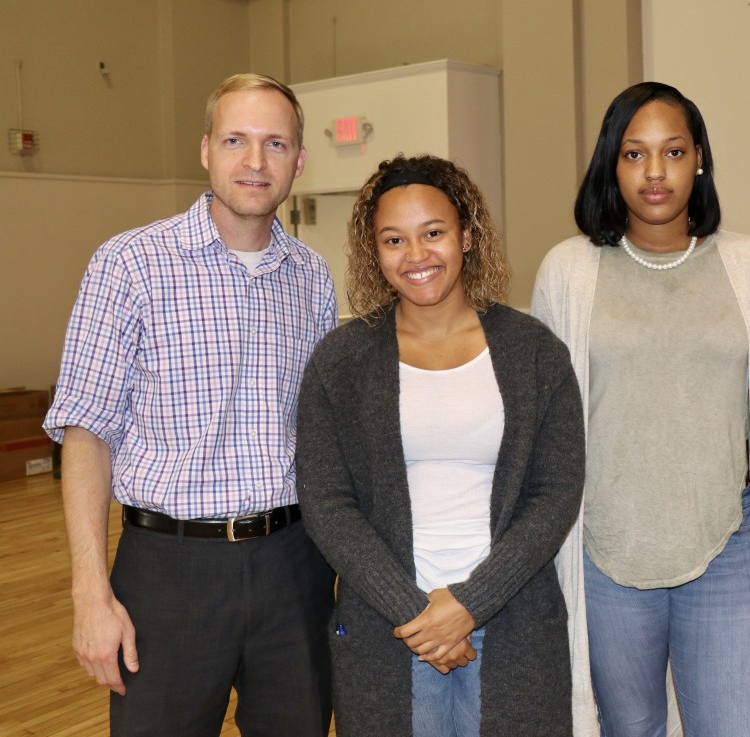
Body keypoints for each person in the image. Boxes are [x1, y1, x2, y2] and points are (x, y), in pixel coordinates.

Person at [43, 73, 337, 735]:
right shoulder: (130, 264)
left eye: (275, 143)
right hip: (169, 575)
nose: (255, 162)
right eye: (236, 140)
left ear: (299, 161)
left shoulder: (313, 279)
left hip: (296, 565)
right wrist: (90, 593)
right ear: (206, 149)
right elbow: (85, 432)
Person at [532, 81, 750, 737]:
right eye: (634, 154)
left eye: (673, 152)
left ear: (700, 160)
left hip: (728, 549)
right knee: (628, 730)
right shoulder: (568, 271)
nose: (655, 173)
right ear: (611, 164)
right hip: (607, 555)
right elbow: (547, 429)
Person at [295, 154, 585, 736]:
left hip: (512, 623)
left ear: (468, 235)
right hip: (389, 630)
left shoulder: (534, 352)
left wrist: (472, 603)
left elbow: (555, 493)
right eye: (394, 239)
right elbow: (327, 504)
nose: (417, 255)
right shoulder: (342, 360)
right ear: (374, 253)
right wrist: (416, 614)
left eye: (434, 233)